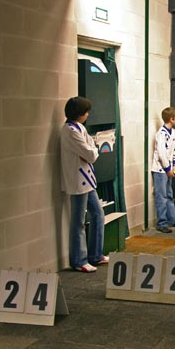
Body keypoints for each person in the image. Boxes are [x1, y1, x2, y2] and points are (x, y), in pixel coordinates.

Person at [60, 96, 108, 273]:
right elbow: (91, 154)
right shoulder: (70, 131)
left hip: (88, 179)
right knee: (78, 221)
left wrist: (92, 150)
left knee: (98, 214)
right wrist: (92, 150)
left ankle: (96, 254)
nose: (88, 114)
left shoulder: (80, 128)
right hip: (77, 181)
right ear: (79, 113)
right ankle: (79, 260)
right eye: (86, 112)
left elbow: (92, 148)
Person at [151, 107, 175, 233]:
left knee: (169, 195)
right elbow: (161, 154)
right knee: (162, 196)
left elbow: (172, 151)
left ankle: (173, 219)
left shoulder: (173, 133)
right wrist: (167, 169)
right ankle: (162, 223)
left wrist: (174, 164)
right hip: (160, 171)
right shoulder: (161, 134)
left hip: (168, 169)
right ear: (171, 119)